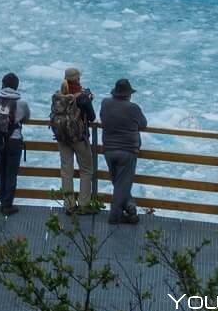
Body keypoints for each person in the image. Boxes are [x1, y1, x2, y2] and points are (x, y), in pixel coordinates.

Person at [49, 68, 98, 213]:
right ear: (78, 79)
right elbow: (92, 117)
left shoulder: (58, 96)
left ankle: (69, 205)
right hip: (79, 138)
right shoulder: (82, 97)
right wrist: (89, 100)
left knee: (66, 171)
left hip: (62, 138)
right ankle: (83, 204)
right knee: (86, 170)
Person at [99, 78, 148, 224]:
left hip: (108, 149)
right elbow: (143, 124)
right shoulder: (133, 108)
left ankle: (130, 207)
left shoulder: (105, 103)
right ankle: (115, 216)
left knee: (119, 183)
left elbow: (102, 118)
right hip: (127, 151)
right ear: (128, 94)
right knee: (122, 184)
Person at [0, 72, 30, 215]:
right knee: (11, 173)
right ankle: (8, 204)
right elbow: (27, 117)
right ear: (16, 87)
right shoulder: (21, 103)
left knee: (2, 170)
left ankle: (1, 202)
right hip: (14, 140)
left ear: (3, 84)